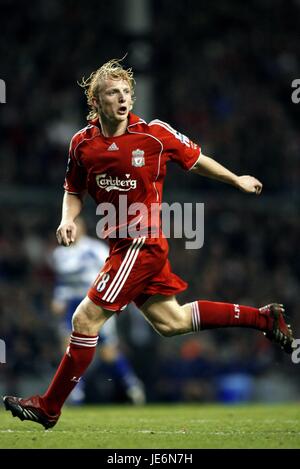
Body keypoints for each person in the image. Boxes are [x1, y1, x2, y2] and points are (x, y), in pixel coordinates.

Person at [3, 58, 294, 429]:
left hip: (142, 243)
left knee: (84, 319)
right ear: (96, 101)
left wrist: (236, 179)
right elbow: (73, 188)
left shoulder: (154, 134)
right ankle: (264, 318)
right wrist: (66, 218)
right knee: (171, 322)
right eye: (113, 93)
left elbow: (196, 160)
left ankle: (49, 407)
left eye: (126, 92)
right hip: (121, 246)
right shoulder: (82, 144)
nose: (123, 98)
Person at [49, 216, 145, 405]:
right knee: (68, 348)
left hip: (95, 302)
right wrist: (58, 299)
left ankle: (131, 384)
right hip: (71, 305)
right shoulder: (59, 255)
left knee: (107, 352)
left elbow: (113, 272)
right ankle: (75, 392)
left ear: (81, 228)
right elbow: (62, 282)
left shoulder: (95, 249)